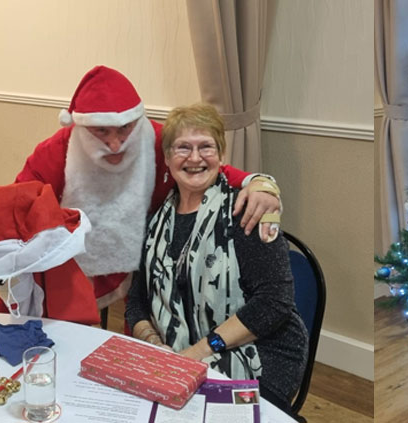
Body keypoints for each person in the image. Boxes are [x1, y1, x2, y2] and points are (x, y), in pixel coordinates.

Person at [15, 66, 282, 324]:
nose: (115, 143)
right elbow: (20, 202)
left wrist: (258, 182)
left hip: (142, 255)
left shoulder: (153, 138)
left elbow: (206, 167)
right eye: (102, 131)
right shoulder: (56, 150)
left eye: (124, 129)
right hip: (71, 256)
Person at [123, 104, 307, 411]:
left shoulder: (247, 211)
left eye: (206, 146)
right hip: (178, 355)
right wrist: (158, 349)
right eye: (183, 147)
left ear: (221, 157)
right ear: (167, 159)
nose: (195, 158)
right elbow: (136, 301)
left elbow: (275, 301)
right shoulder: (155, 221)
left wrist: (196, 354)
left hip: (260, 357)